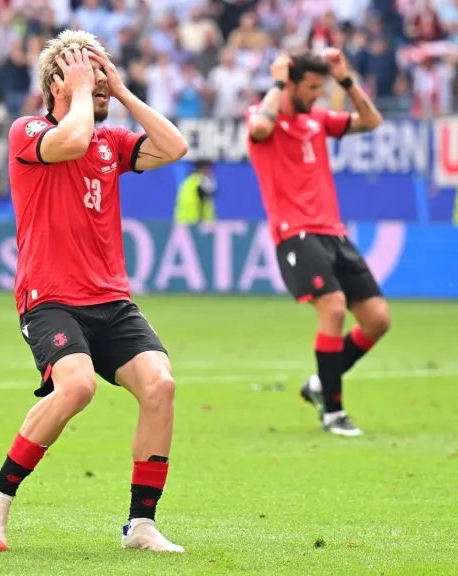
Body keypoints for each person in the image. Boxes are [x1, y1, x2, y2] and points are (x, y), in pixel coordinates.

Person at [0, 30, 189, 553]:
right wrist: (77, 94)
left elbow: (174, 146)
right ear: (58, 83)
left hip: (110, 299)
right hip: (50, 297)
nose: (100, 84)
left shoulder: (111, 143)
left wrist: (122, 90)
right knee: (77, 386)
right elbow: (69, 141)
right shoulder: (28, 131)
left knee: (160, 385)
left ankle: (140, 525)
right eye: (90, 74)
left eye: (103, 74)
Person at [246, 50, 389, 437]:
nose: (316, 95)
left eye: (320, 88)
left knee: (377, 320)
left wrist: (346, 80)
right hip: (295, 231)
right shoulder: (265, 116)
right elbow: (259, 128)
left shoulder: (318, 119)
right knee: (334, 306)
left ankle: (319, 384)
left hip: (332, 231)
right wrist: (276, 82)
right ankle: (333, 412)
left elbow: (372, 121)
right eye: (311, 88)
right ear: (289, 83)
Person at [173, 159, 217, 225]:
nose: (210, 171)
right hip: (191, 223)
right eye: (207, 168)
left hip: (186, 223)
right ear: (201, 169)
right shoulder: (199, 182)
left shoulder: (189, 181)